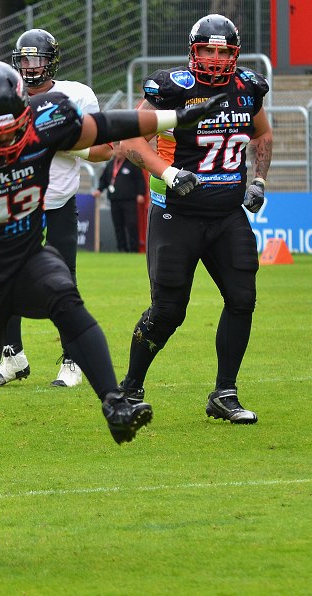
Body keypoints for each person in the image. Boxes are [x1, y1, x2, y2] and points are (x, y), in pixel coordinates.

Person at [0, 59, 227, 489]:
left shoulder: (46, 122)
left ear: (26, 110)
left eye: (11, 128)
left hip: (26, 256)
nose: (4, 139)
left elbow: (107, 125)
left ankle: (115, 401)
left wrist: (176, 116)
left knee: (65, 296)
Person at [117, 14, 271, 424]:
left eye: (224, 51)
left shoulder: (247, 89)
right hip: (177, 214)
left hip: (227, 215)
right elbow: (132, 139)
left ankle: (225, 393)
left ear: (234, 54)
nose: (216, 59)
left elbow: (263, 135)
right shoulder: (173, 89)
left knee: (242, 299)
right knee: (168, 310)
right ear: (193, 50)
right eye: (208, 50)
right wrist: (167, 174)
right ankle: (129, 389)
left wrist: (258, 180)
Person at [0, 28, 113, 388]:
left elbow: (105, 150)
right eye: (25, 60)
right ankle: (12, 356)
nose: (30, 67)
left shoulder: (76, 94)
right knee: (3, 281)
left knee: (61, 284)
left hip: (58, 203)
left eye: (37, 59)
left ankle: (71, 360)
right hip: (15, 202)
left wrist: (66, 143)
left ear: (51, 62)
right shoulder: (3, 93)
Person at [93, 142, 146, 253]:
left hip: (129, 200)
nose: (119, 151)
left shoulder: (132, 164)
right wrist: (99, 189)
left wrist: (141, 193)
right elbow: (104, 180)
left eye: (120, 149)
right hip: (114, 200)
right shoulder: (110, 164)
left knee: (131, 225)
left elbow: (140, 180)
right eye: (116, 149)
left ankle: (133, 249)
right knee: (118, 226)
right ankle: (122, 249)